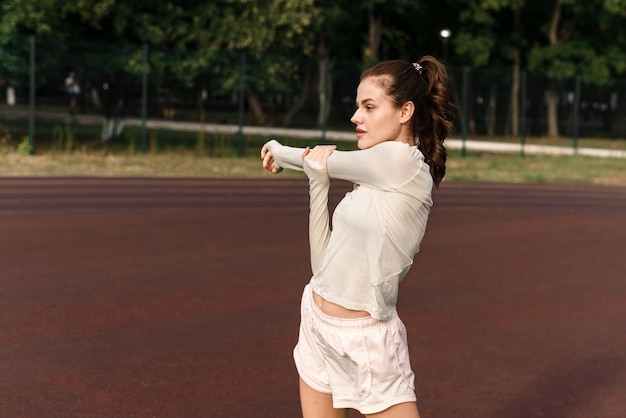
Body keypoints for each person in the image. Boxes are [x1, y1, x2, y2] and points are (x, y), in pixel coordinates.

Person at [261, 56, 453, 418]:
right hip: (317, 320)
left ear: (404, 111)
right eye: (356, 107)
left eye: (368, 107)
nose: (355, 117)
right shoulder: (369, 179)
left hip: (367, 338)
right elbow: (322, 269)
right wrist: (317, 186)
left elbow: (310, 159)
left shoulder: (403, 163)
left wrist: (274, 147)